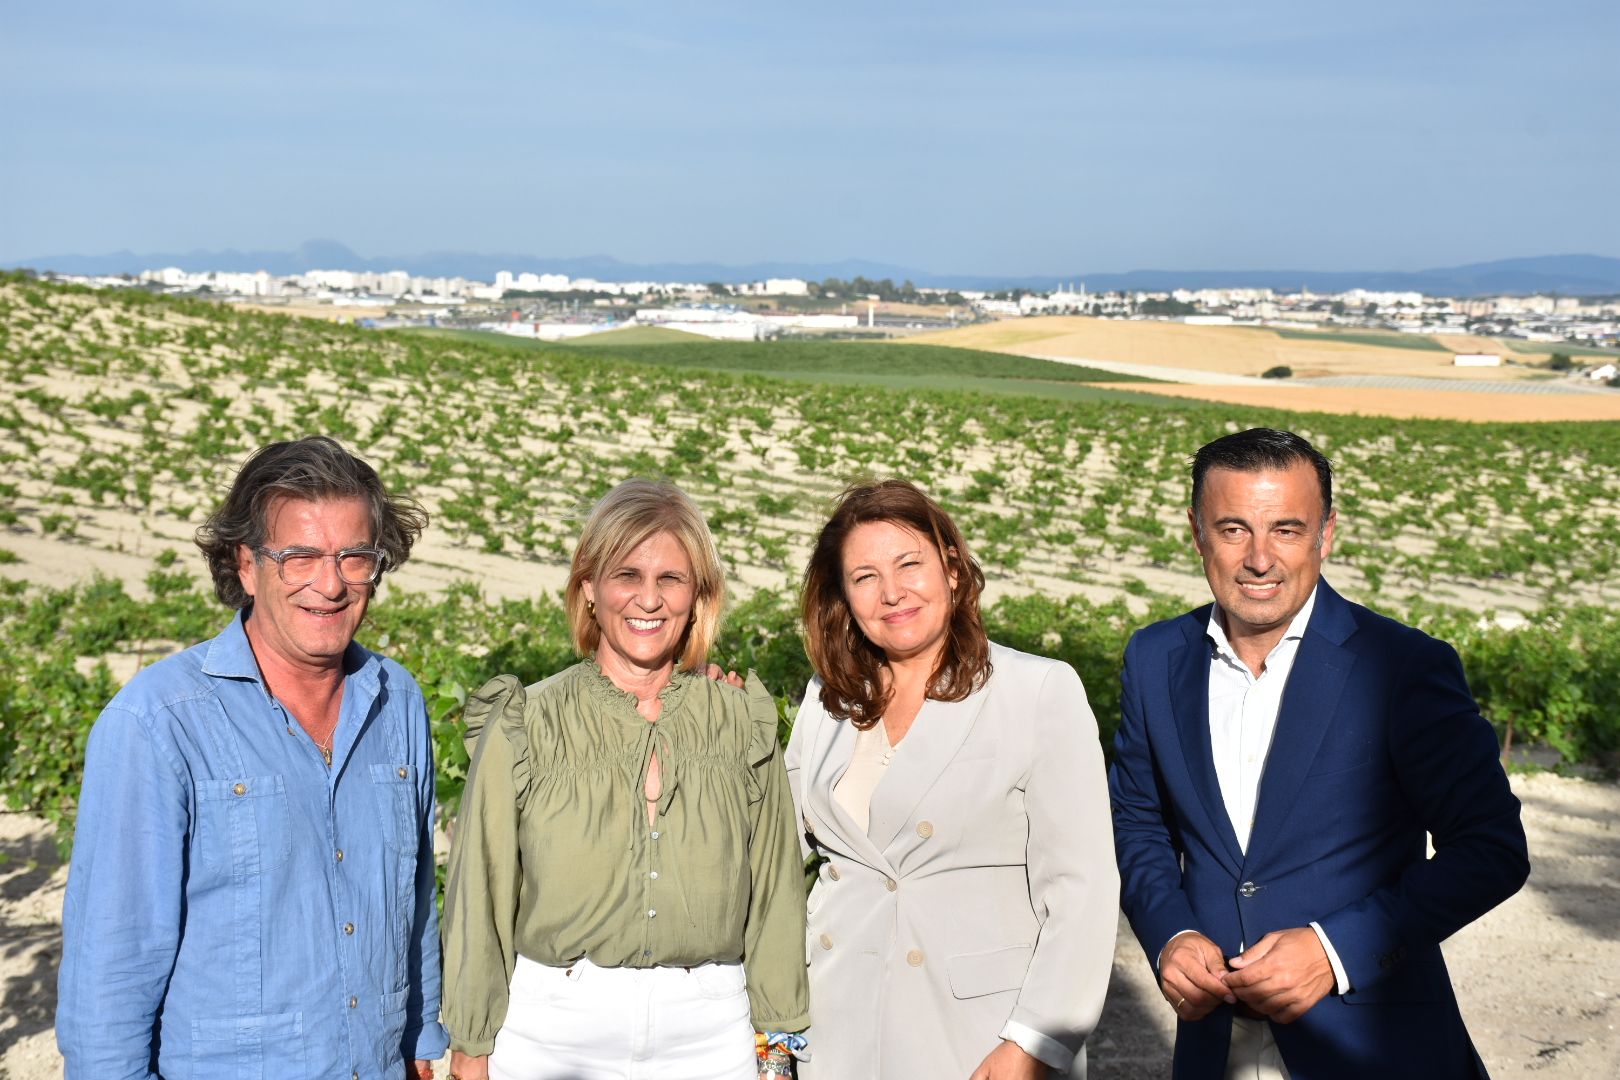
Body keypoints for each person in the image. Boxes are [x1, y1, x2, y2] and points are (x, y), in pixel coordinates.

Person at [1109, 427, 1531, 1079]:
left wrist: (1333, 951)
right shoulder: (1154, 657)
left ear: (1325, 535)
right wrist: (1170, 933)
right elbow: (1139, 823)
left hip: (1375, 1046)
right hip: (1213, 1044)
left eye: (1285, 529)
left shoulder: (1403, 667)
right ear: (1197, 534)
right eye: (1232, 529)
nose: (1259, 559)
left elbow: (1492, 848)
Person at [57, 435, 446, 1079]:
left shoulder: (397, 700)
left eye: (354, 556)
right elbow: (112, 968)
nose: (330, 583)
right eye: (300, 556)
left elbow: (414, 904)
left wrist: (423, 1037)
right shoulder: (157, 725)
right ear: (245, 564)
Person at [441, 478, 808, 1080]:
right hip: (551, 1035)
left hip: (712, 1038)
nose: (649, 599)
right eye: (626, 576)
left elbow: (775, 894)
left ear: (698, 594)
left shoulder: (740, 720)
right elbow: (480, 891)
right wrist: (472, 1046)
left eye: (671, 579)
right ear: (589, 588)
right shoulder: (527, 720)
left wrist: (778, 1047)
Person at [785, 479, 1118, 1079]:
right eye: (864, 577)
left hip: (978, 1036)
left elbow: (1081, 889)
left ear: (954, 572)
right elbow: (778, 839)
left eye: (909, 564)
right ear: (844, 599)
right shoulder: (827, 698)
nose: (892, 593)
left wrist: (1036, 1041)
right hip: (839, 1026)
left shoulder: (1037, 691)